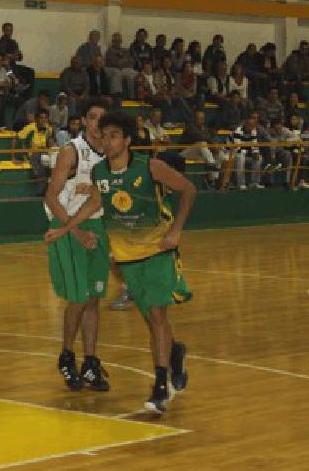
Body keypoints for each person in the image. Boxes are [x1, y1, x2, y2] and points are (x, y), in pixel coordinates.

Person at [47, 111, 195, 414]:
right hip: (127, 257)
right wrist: (67, 228)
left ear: (127, 140)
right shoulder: (100, 172)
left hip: (157, 250)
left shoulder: (150, 166)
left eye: (114, 135)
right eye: (104, 134)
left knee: (156, 316)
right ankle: (175, 351)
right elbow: (95, 202)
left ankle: (160, 387)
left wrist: (177, 230)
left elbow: (188, 189)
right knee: (151, 320)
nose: (107, 140)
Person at [43, 97, 111, 392]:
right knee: (79, 298)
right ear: (83, 121)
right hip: (68, 226)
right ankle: (67, 356)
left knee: (94, 299)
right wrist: (75, 231)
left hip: (97, 225)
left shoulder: (111, 153)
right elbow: (50, 197)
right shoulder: (72, 152)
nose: (98, 123)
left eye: (102, 119)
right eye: (93, 117)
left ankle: (91, 362)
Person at [180, 110, 224, 189]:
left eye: (203, 119)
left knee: (219, 152)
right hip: (184, 152)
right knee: (201, 143)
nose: (201, 121)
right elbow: (200, 137)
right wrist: (211, 143)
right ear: (194, 119)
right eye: (199, 119)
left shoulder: (204, 129)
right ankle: (211, 164)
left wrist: (214, 147)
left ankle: (213, 180)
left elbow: (209, 139)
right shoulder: (190, 127)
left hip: (199, 153)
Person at [16, 109, 54, 196]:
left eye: (45, 118)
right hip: (33, 154)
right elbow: (16, 139)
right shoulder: (30, 128)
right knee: (40, 161)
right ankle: (42, 190)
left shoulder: (48, 129)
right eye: (41, 118)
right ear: (36, 119)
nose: (43, 120)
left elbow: (50, 142)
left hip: (45, 153)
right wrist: (14, 157)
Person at [0, 23, 35, 99]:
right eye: (7, 30)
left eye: (11, 30)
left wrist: (16, 56)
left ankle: (28, 96)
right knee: (7, 65)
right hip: (5, 66)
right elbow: (1, 56)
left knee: (30, 71)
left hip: (13, 65)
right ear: (3, 30)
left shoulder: (13, 42)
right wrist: (11, 56)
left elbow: (19, 57)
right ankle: (15, 84)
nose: (9, 32)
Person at [105, 32, 138, 99]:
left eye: (119, 40)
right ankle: (117, 96)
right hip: (114, 69)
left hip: (126, 69)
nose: (117, 42)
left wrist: (122, 62)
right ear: (112, 41)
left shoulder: (126, 50)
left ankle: (132, 97)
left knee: (134, 74)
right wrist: (125, 61)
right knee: (117, 73)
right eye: (115, 40)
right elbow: (114, 63)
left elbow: (132, 62)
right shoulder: (109, 51)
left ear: (121, 41)